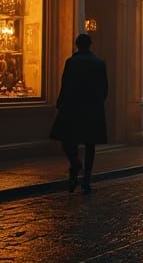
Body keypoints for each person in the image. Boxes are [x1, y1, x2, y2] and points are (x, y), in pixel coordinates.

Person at [49, 34, 108, 193]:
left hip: (72, 107)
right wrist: (97, 103)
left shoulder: (71, 62)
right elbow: (104, 89)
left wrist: (60, 101)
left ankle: (74, 166)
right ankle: (86, 180)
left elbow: (65, 83)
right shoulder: (99, 64)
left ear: (77, 45)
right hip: (92, 109)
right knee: (90, 145)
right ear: (90, 45)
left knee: (69, 140)